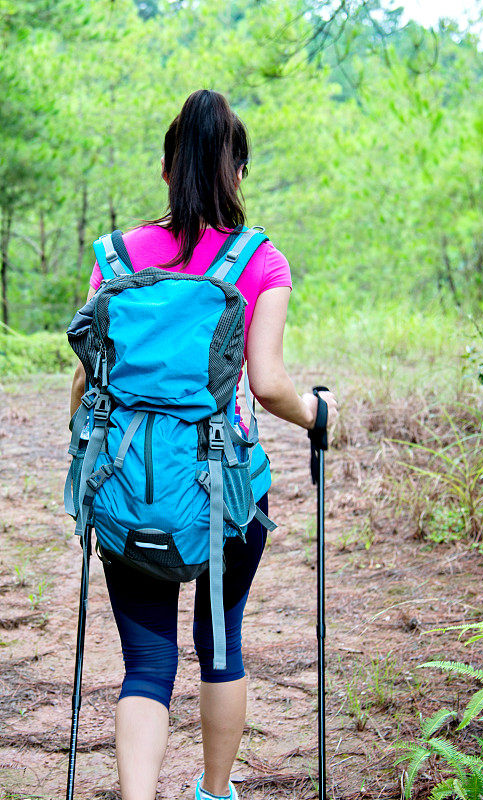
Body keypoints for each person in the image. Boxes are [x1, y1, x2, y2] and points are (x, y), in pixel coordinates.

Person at [68, 89, 338, 800]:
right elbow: (272, 386)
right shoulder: (259, 261)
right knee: (220, 645)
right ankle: (214, 793)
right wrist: (320, 415)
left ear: (166, 169)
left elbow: (85, 385)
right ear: (237, 172)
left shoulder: (116, 256)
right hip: (225, 490)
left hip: (130, 487)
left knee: (147, 663)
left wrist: (87, 463)